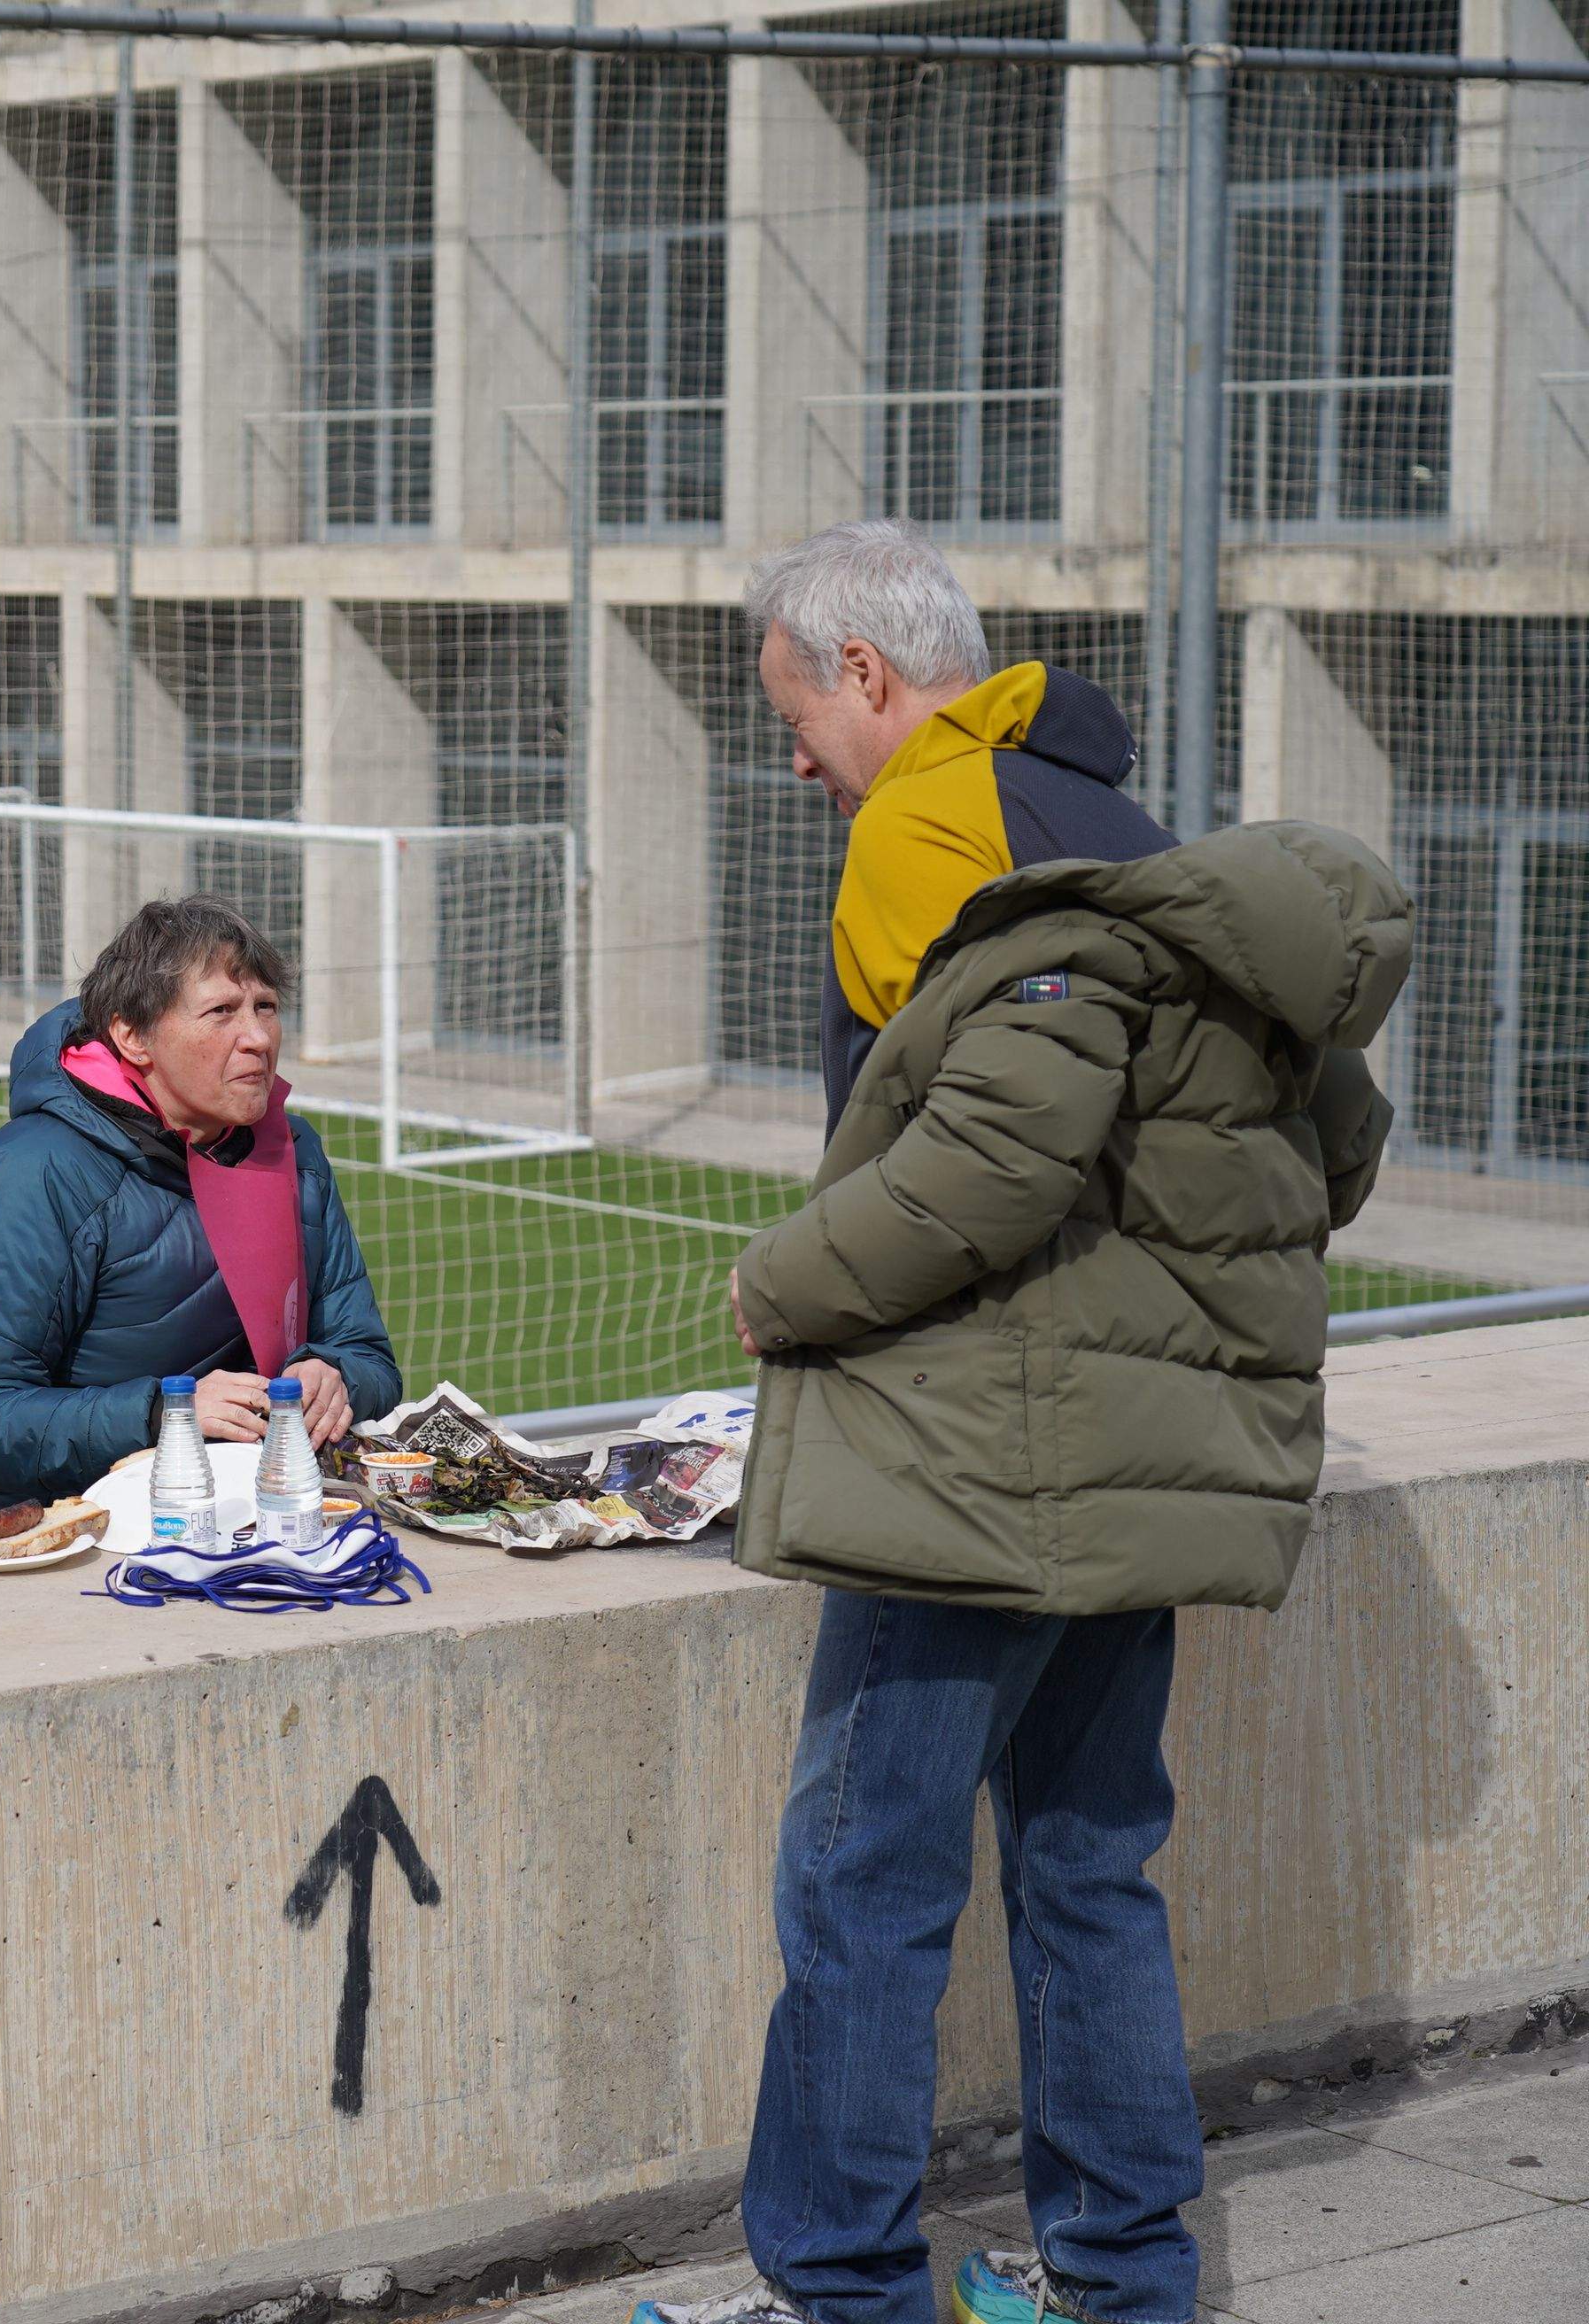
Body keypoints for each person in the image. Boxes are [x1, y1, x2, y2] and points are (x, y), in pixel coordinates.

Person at [639, 523, 1407, 2324]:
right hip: (1138, 1460)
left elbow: (985, 1142)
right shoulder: (1128, 830)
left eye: (797, 720)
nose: (798, 765)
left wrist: (789, 1281)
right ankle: (1122, 2279)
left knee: (861, 1877)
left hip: (973, 1454)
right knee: (1086, 1865)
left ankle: (836, 2288)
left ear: (865, 674)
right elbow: (1336, 1143)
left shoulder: (929, 818)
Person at [0, 894, 401, 1516]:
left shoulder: (293, 1150)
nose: (258, 1037)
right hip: (45, 1539)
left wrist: (333, 1376)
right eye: (221, 1011)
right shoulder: (36, 1170)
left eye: (266, 1007)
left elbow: (369, 1358)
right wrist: (166, 1412)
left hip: (230, 1519)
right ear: (132, 1036)